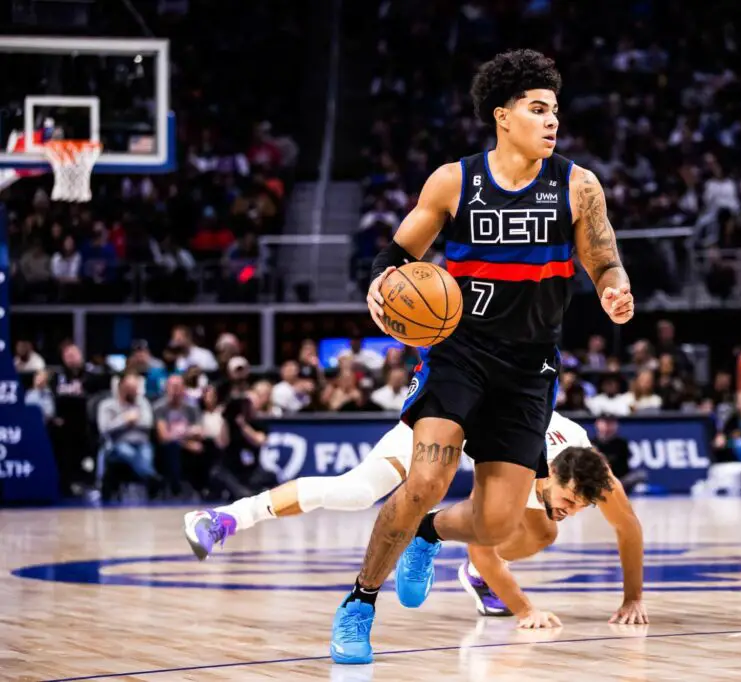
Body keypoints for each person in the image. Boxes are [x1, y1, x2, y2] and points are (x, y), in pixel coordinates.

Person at [340, 49, 630, 663]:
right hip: (459, 352)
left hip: (529, 367)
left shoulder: (577, 185)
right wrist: (381, 284)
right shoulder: (455, 181)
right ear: (503, 116)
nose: (552, 121)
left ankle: (428, 532)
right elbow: (397, 253)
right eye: (538, 109)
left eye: (555, 110)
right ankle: (359, 603)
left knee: (498, 524)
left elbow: (603, 257)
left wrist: (614, 287)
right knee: (426, 479)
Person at [183, 412, 646, 629]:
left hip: (488, 431)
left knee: (546, 530)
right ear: (549, 474)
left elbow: (629, 529)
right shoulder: (520, 466)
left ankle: (466, 569)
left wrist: (632, 599)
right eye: (567, 499)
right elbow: (482, 542)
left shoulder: (593, 474)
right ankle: (224, 518)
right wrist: (526, 610)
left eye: (581, 505)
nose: (572, 508)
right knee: (356, 492)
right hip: (444, 424)